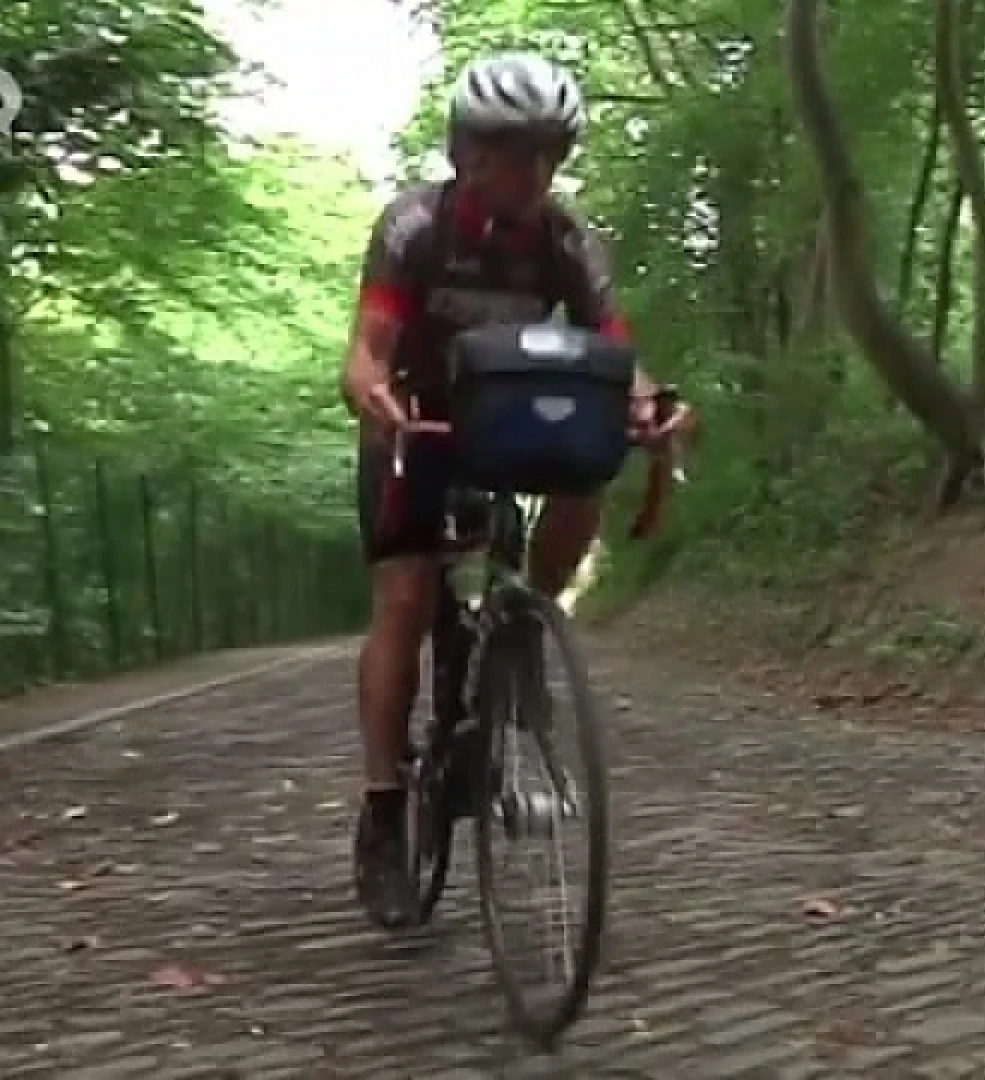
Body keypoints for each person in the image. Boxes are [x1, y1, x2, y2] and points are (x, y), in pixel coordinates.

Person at [337, 52, 688, 928]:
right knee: (407, 598)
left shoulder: (569, 242)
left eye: (547, 152)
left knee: (592, 459)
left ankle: (529, 620)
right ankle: (384, 807)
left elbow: (614, 352)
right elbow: (367, 349)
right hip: (419, 423)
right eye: (510, 149)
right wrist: (370, 394)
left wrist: (648, 406)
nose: (532, 170)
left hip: (514, 422)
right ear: (466, 150)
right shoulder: (415, 224)